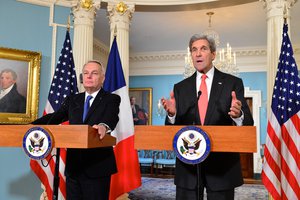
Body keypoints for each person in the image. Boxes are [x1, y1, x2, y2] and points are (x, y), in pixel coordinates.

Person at [161, 34, 254, 200]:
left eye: (203, 49)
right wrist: (172, 115)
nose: (198, 53)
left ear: (213, 54)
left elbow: (248, 123)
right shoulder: (180, 88)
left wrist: (238, 114)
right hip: (188, 164)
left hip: (221, 166)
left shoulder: (232, 83)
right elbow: (171, 130)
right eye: (194, 50)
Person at [32, 60, 121, 200]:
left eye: (94, 73)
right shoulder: (73, 99)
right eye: (85, 73)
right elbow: (55, 117)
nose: (89, 76)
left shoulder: (111, 99)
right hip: (74, 168)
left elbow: (111, 117)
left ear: (103, 78)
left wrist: (104, 126)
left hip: (97, 167)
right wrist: (31, 126)